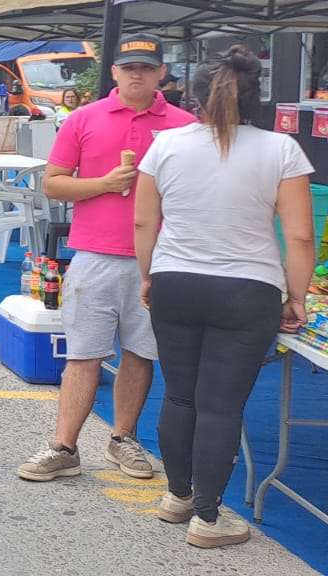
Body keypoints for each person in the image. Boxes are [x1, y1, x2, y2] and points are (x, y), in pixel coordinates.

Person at [134, 45, 314, 548]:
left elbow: (145, 220)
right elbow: (299, 238)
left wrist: (149, 275)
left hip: (175, 281)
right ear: (259, 97)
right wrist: (295, 297)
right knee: (219, 406)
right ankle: (209, 520)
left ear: (192, 96)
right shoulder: (280, 150)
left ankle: (178, 497)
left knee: (179, 393)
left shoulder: (165, 145)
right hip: (248, 289)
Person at [18, 34, 197, 483]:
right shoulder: (84, 118)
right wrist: (103, 183)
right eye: (129, 66)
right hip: (95, 254)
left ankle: (123, 438)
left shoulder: (184, 125)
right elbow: (54, 184)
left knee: (141, 352)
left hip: (158, 259)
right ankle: (64, 445)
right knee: (83, 354)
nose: (137, 73)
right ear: (114, 71)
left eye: (146, 67)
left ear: (161, 74)